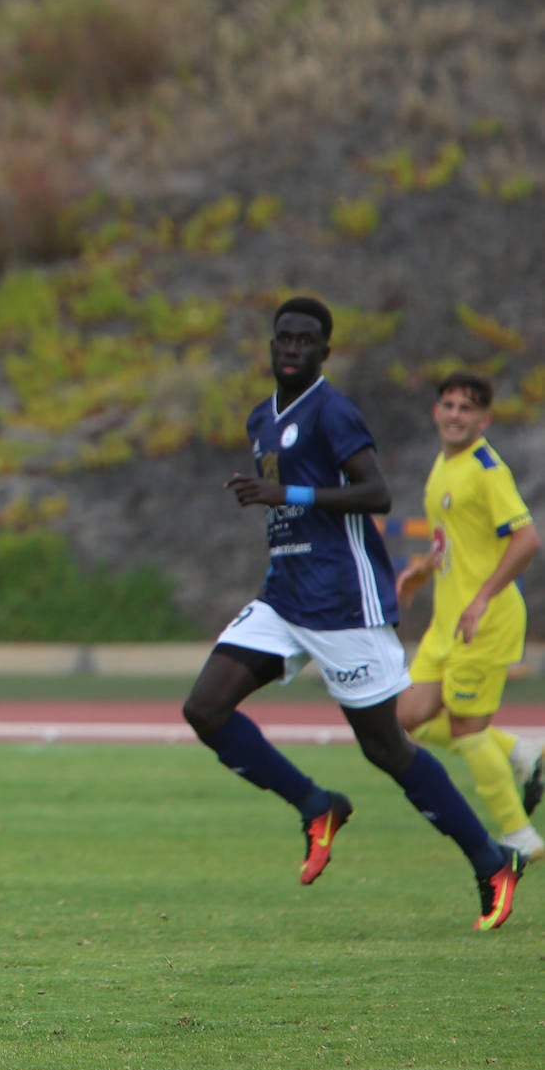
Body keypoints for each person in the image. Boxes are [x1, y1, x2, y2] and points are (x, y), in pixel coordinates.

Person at [181, 297, 527, 931]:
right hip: (285, 596)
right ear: (271, 346)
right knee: (204, 707)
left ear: (323, 352)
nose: (291, 348)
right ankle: (315, 805)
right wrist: (278, 503)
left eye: (304, 340)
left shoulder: (333, 410)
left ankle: (491, 859)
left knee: (388, 749)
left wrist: (288, 493)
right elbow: (288, 511)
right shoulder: (263, 417)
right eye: (282, 338)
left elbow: (376, 492)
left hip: (344, 603)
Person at [394, 372, 544, 861]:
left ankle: (520, 836)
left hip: (485, 620)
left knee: (466, 731)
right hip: (447, 623)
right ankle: (522, 753)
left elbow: (526, 540)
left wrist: (480, 599)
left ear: (484, 418)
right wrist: (421, 570)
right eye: (449, 405)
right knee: (402, 719)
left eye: (466, 408)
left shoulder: (485, 468)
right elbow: (452, 539)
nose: (455, 415)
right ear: (437, 411)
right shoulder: (443, 463)